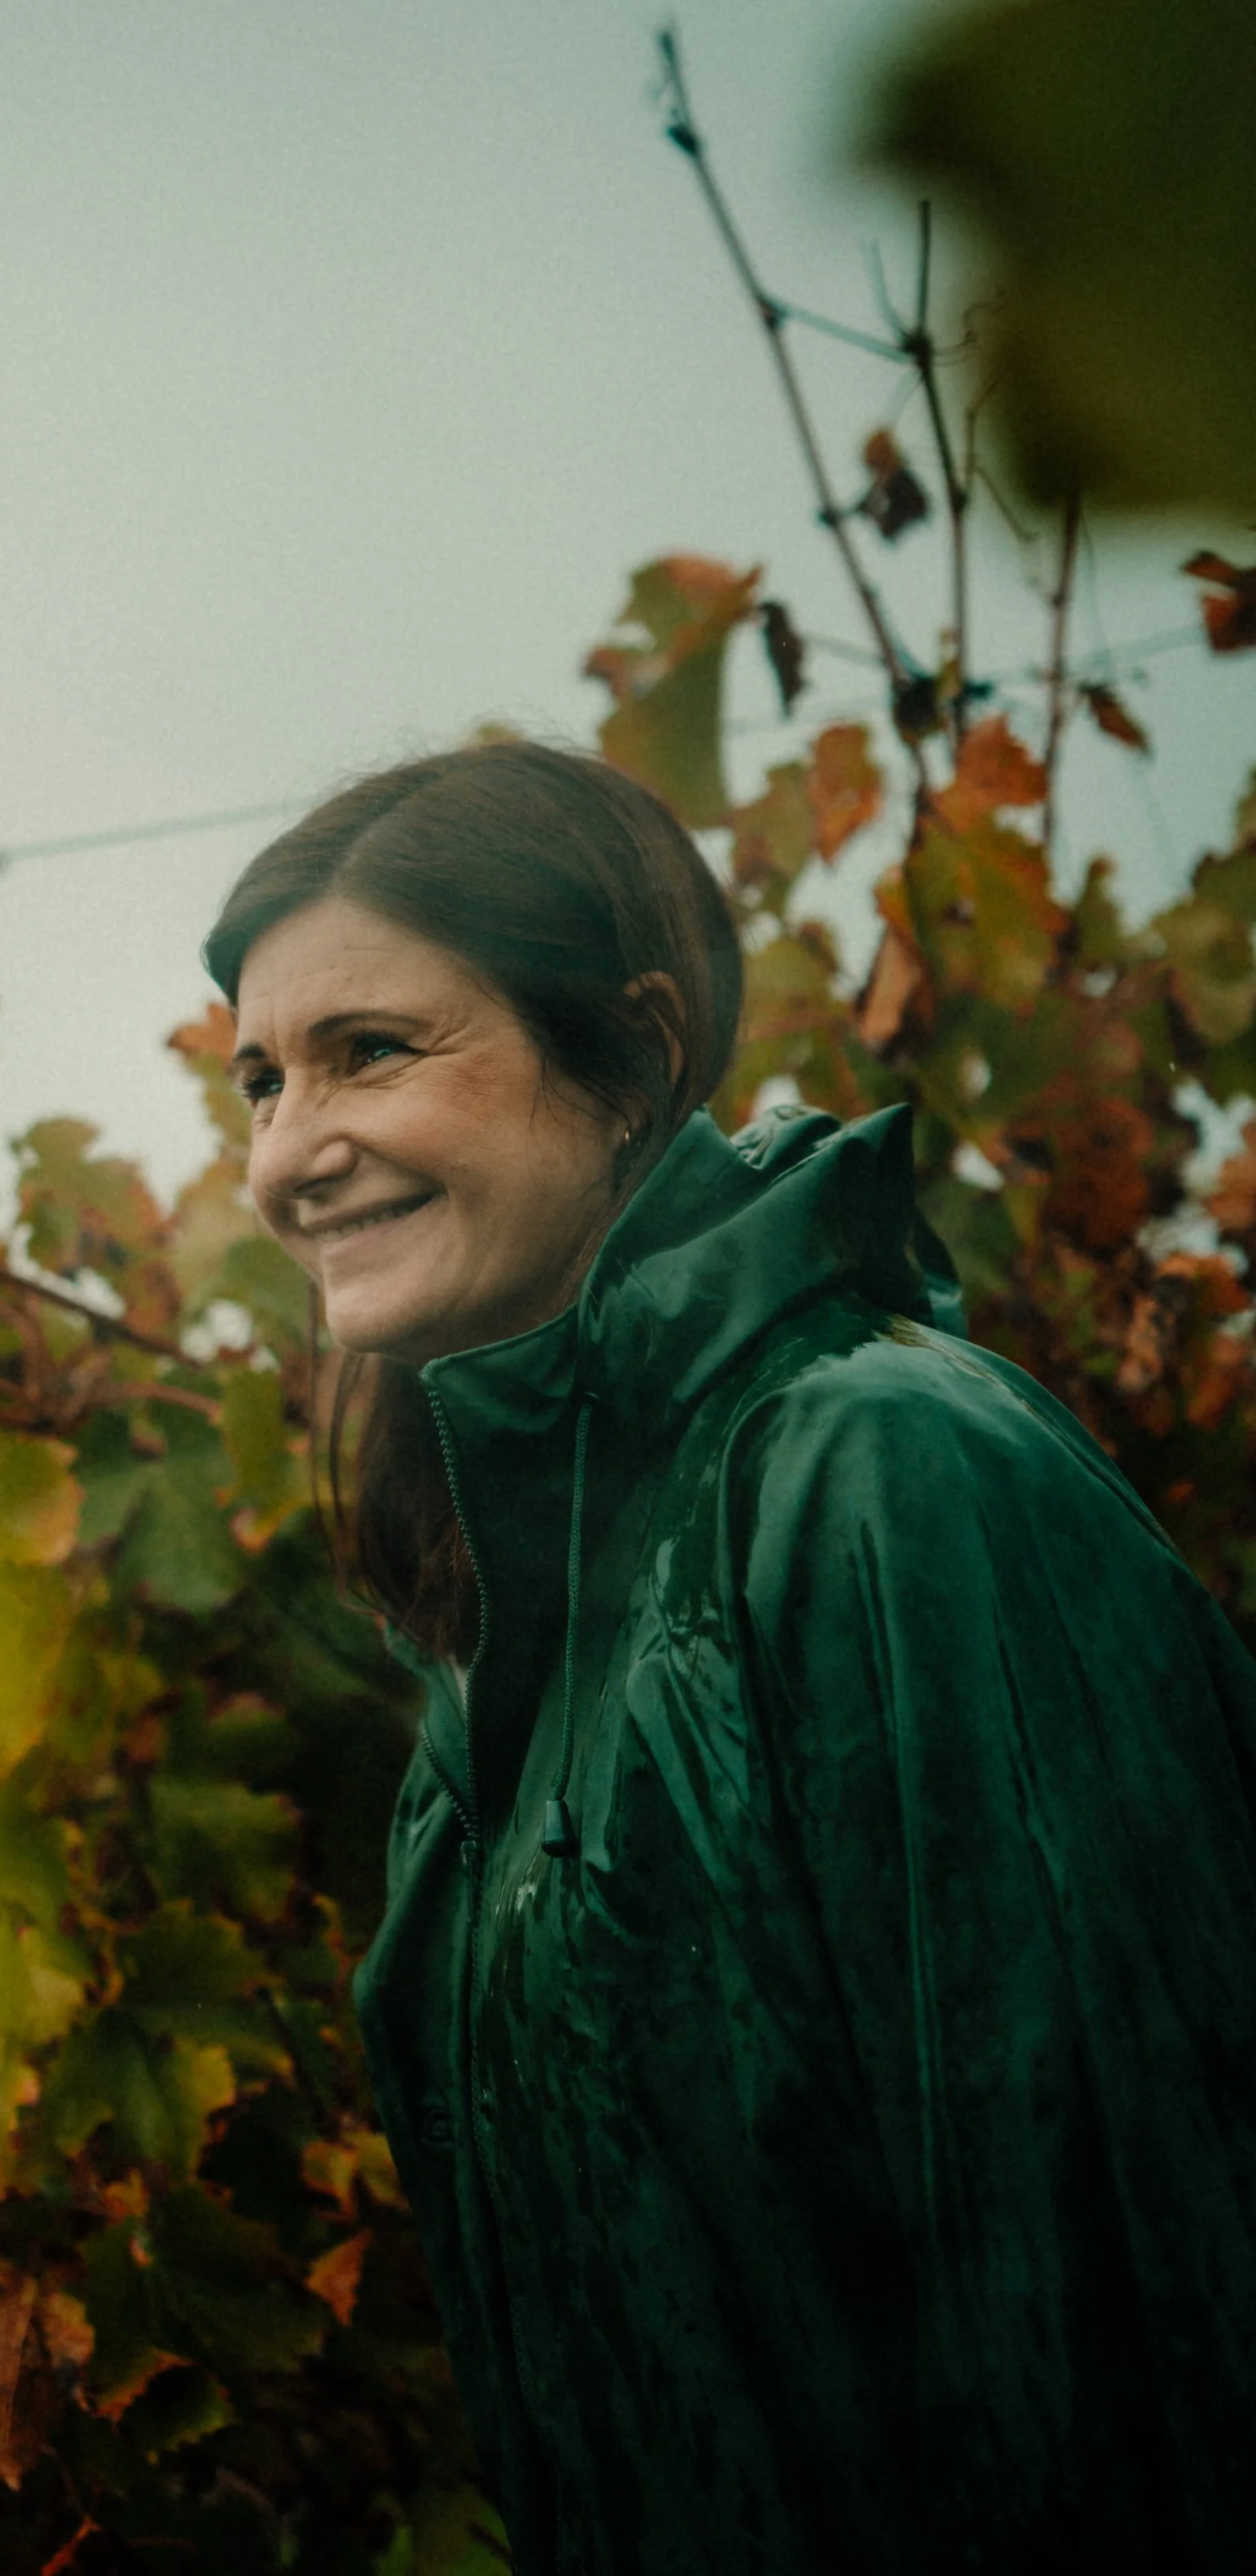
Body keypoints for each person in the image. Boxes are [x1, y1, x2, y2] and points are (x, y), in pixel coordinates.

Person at [200, 740, 1256, 2576]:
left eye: (372, 1049)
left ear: (626, 1052)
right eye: (259, 1080)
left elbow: (1140, 2306)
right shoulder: (489, 1665)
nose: (291, 1149)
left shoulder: (882, 1470)